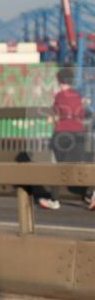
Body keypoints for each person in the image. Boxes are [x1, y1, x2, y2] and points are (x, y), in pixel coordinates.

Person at [50, 68, 94, 209]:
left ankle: (55, 200)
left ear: (59, 81)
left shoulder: (59, 96)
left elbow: (56, 115)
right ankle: (91, 194)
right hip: (79, 133)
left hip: (62, 133)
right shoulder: (78, 96)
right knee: (84, 163)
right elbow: (83, 114)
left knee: (57, 166)